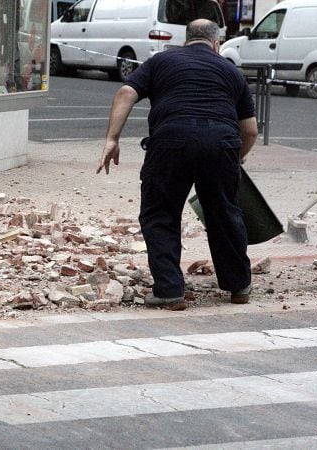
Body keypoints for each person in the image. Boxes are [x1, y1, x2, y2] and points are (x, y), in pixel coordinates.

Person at [96, 19, 258, 311]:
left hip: (171, 142)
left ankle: (170, 290)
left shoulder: (161, 60)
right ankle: (238, 285)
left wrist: (112, 138)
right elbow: (250, 131)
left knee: (160, 213)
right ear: (216, 44)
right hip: (220, 144)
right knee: (224, 212)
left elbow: (125, 93)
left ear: (185, 41)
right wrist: (235, 158)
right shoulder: (231, 72)